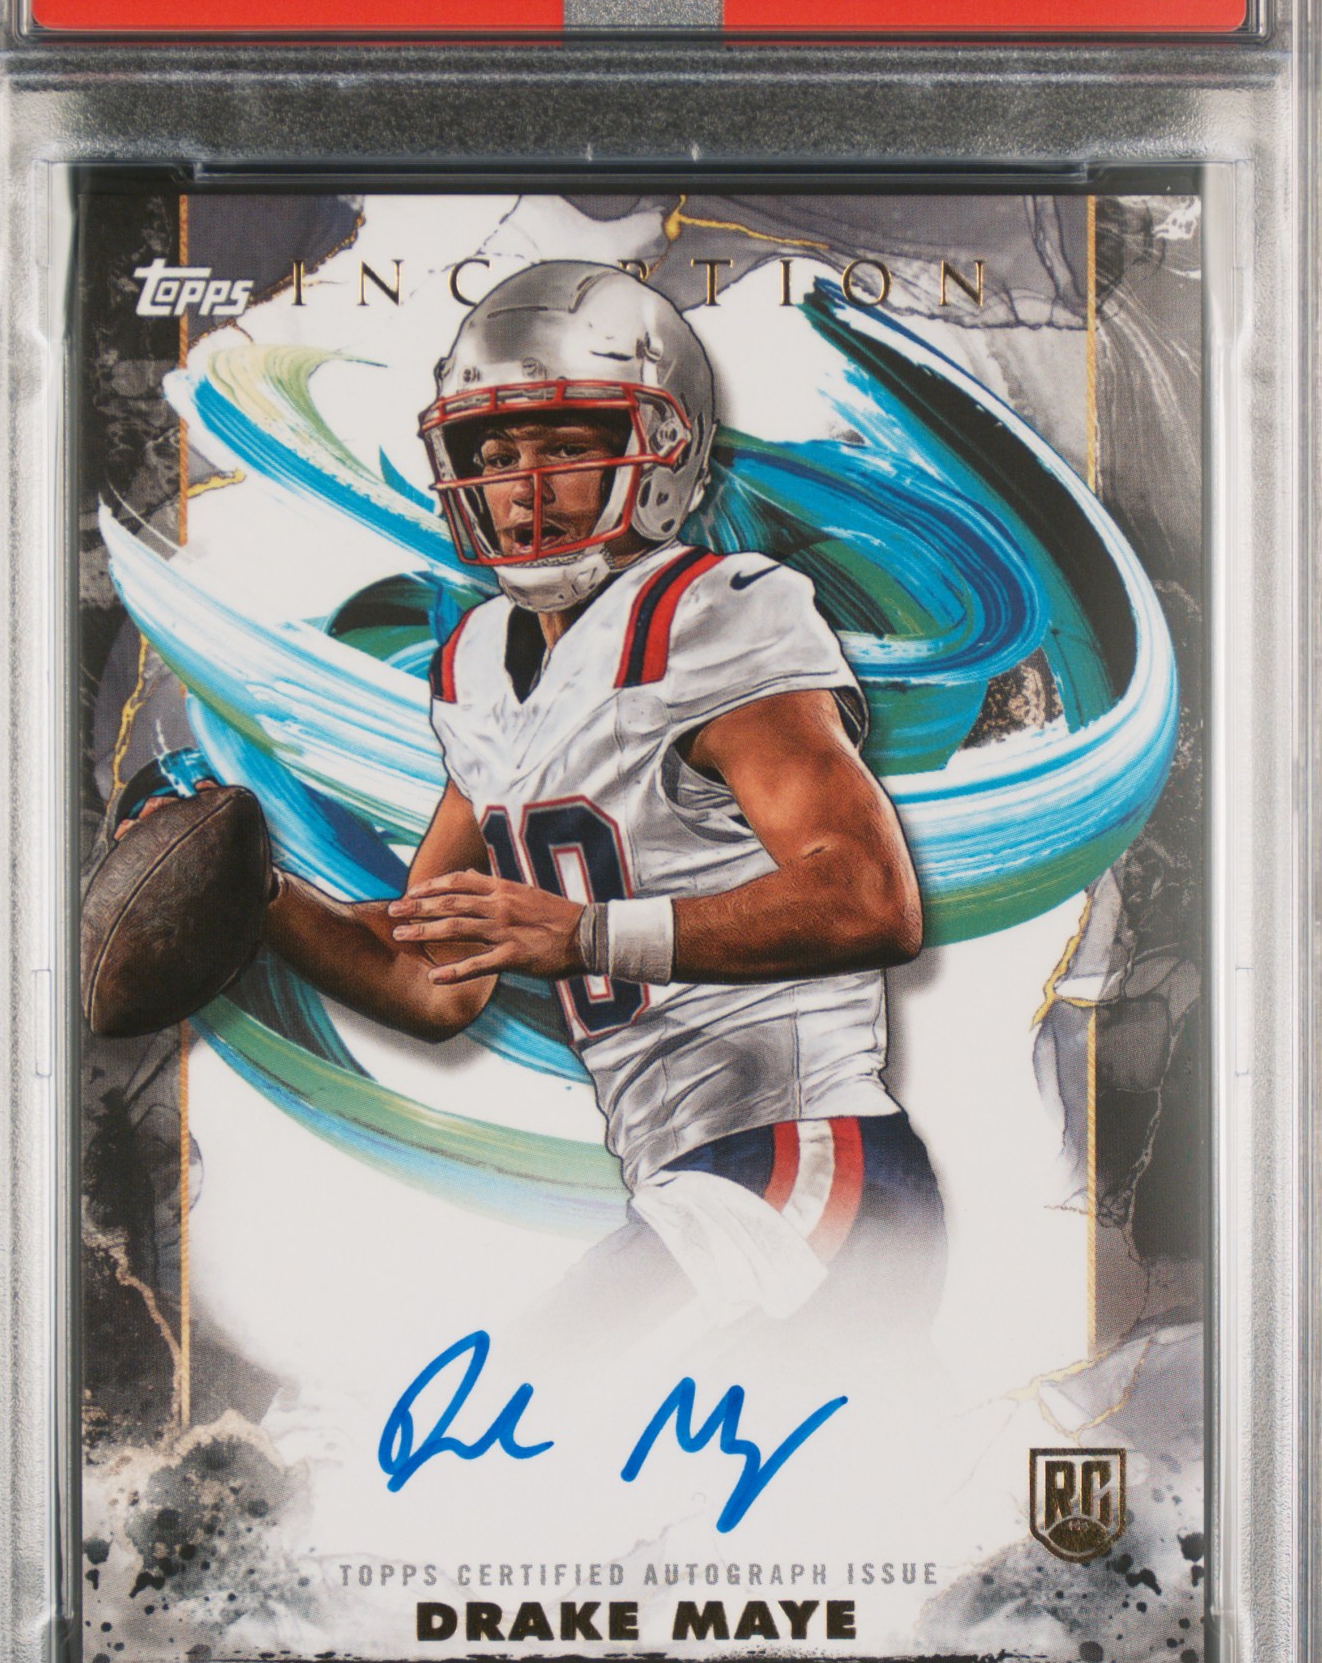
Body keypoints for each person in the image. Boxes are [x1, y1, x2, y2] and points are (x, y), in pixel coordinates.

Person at [142, 260, 945, 1342]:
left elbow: (868, 899)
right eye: (495, 455)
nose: (525, 486)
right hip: (688, 1180)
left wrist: (586, 936)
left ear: (662, 450)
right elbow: (432, 975)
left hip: (804, 1156)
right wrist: (256, 895)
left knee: (538, 1394)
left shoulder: (715, 612)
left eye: (567, 446)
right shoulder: (476, 664)